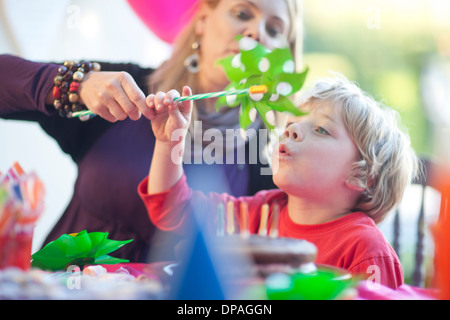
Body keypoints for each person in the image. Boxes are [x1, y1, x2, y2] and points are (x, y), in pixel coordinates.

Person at [0, 0, 303, 262]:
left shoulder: (268, 154)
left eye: (274, 30)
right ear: (203, 20)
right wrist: (76, 86)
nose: (256, 33)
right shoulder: (128, 88)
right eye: (242, 13)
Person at [138, 74, 419, 289]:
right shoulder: (261, 212)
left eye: (321, 129)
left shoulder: (366, 252)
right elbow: (173, 210)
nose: (293, 129)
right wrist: (168, 141)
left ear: (360, 174)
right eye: (290, 124)